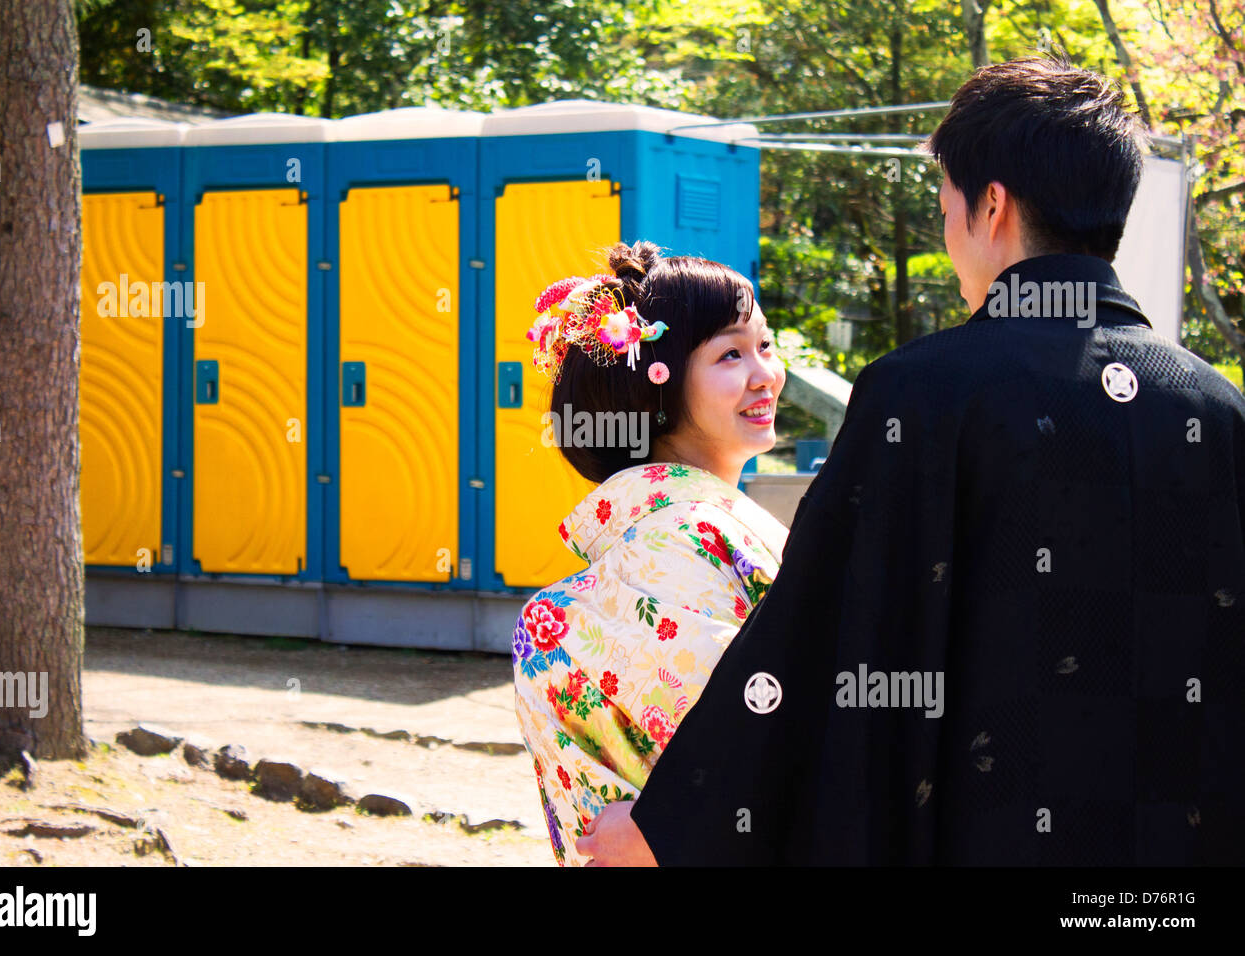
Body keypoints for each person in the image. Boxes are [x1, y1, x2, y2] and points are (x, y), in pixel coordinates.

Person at [578, 56, 1245, 866]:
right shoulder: (1217, 409)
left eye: (945, 206)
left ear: (990, 205)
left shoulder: (922, 394)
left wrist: (666, 830)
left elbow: (812, 641)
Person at [511, 240, 790, 864]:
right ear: (656, 390)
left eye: (766, 345)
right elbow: (792, 740)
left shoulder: (555, 612)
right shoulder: (702, 540)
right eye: (730, 354)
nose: (766, 373)